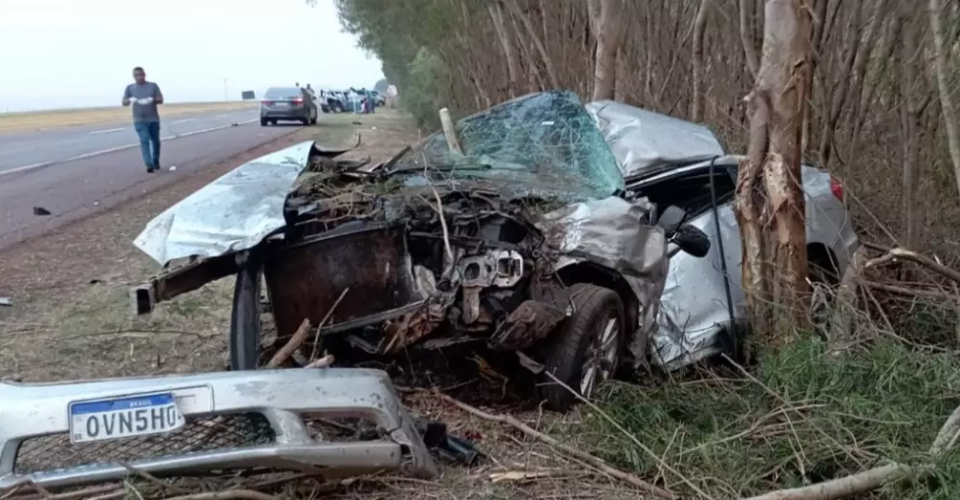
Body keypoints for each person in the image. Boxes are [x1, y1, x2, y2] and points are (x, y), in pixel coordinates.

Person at [122, 67, 164, 173]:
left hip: (153, 119)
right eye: (137, 75)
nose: (139, 77)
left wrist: (153, 99)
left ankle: (155, 161)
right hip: (139, 119)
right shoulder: (130, 88)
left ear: (145, 75)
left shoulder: (153, 86)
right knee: (144, 140)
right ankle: (148, 163)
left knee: (155, 142)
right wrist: (129, 100)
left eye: (141, 75)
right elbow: (124, 102)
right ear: (134, 76)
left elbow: (161, 99)